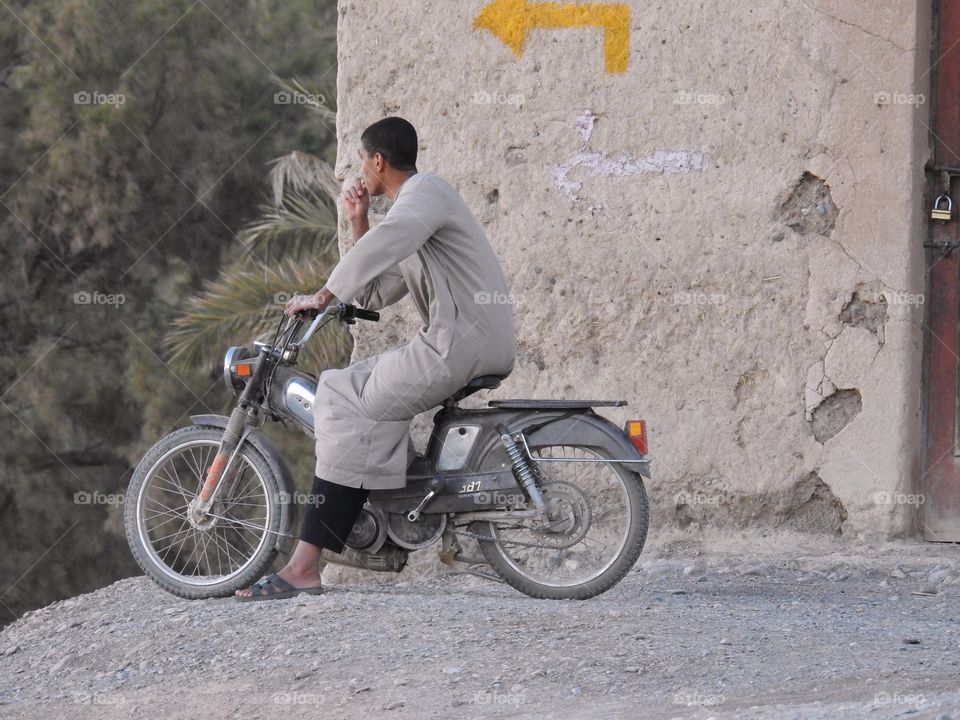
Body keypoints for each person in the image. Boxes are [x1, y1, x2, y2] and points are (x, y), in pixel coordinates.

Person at [236, 117, 516, 600]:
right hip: (457, 338)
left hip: (458, 342)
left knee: (348, 407)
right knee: (341, 386)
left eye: (362, 160)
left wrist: (322, 295)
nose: (360, 170)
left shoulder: (424, 196)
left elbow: (386, 249)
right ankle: (387, 498)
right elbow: (377, 291)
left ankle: (304, 566)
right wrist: (358, 220)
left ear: (378, 161)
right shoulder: (415, 212)